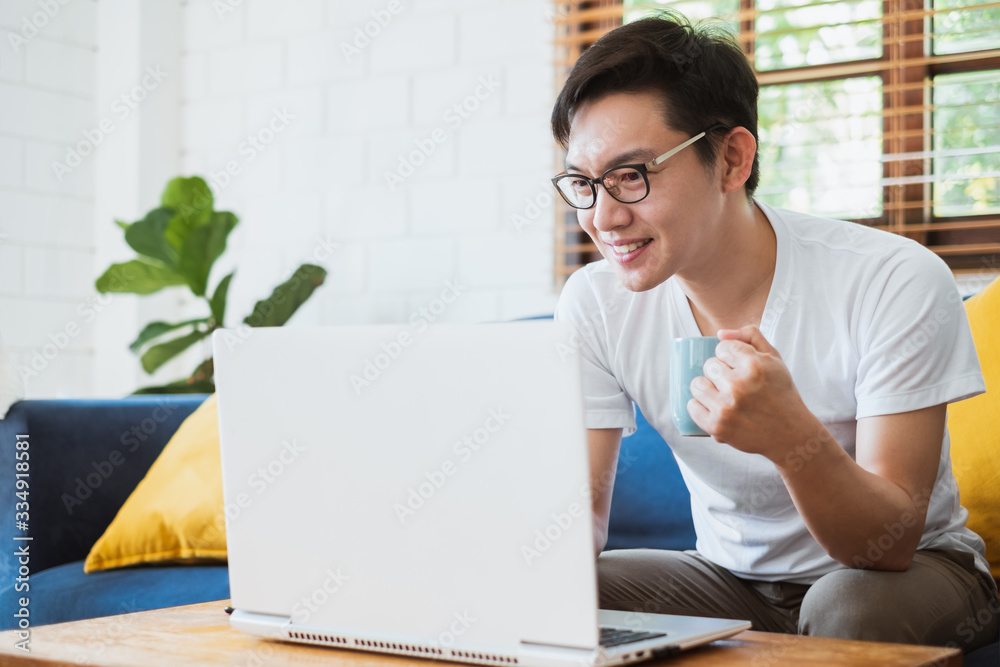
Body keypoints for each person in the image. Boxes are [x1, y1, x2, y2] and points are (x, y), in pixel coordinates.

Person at [550, 11, 998, 652]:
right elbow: (581, 520)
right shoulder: (595, 303)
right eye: (583, 184)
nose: (605, 217)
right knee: (571, 591)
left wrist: (792, 442)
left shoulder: (892, 277)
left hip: (907, 572)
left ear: (731, 158)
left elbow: (891, 543)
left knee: (846, 606)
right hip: (730, 580)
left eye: (631, 175)